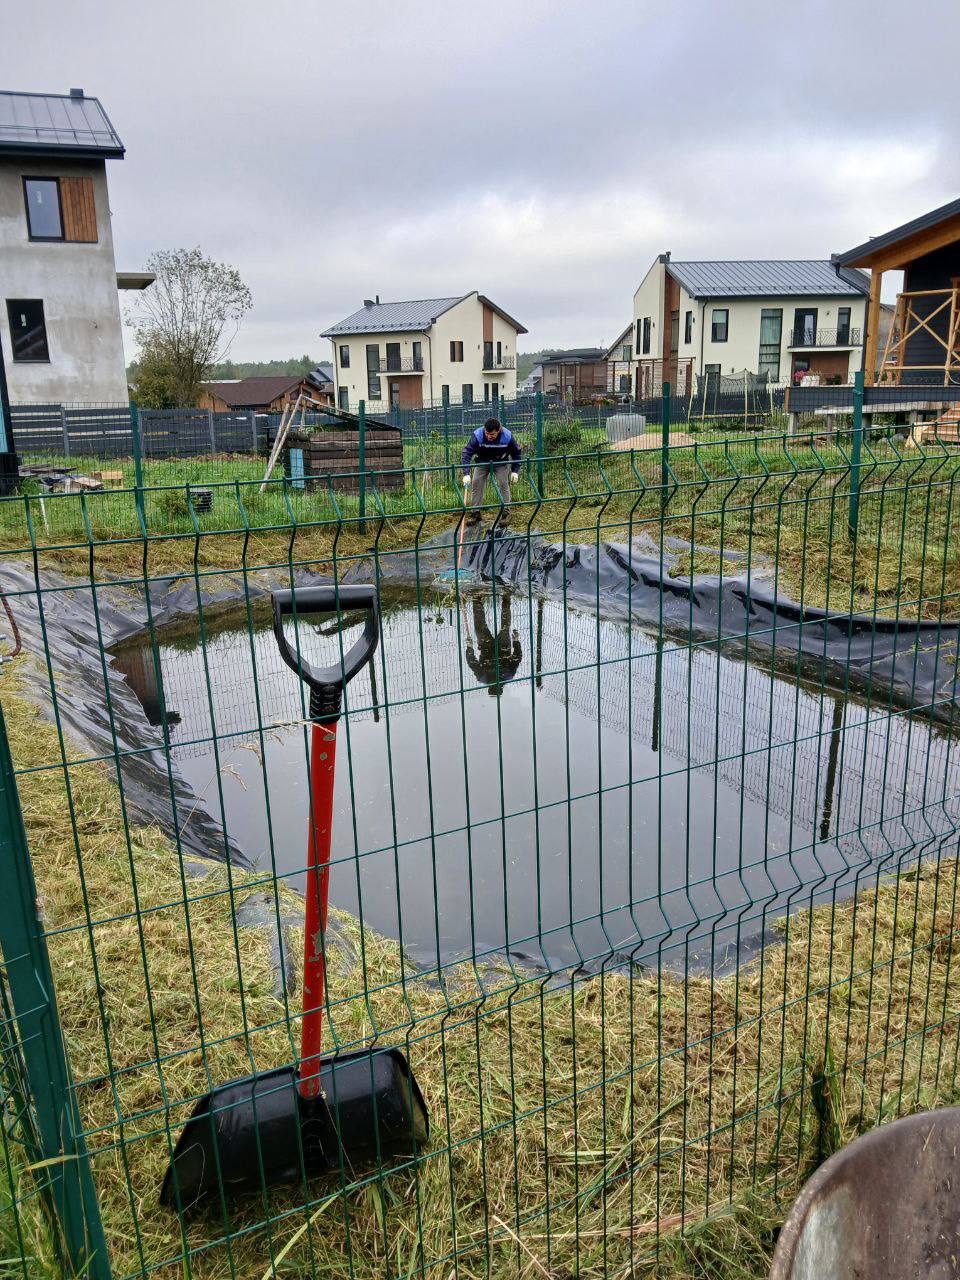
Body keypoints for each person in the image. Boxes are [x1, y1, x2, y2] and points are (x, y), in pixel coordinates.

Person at [461, 417, 521, 527]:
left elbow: (516, 452)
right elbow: (467, 452)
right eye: (487, 433)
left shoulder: (507, 436)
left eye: (492, 434)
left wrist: (515, 471)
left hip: (501, 461)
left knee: (503, 483)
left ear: (499, 431)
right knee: (476, 482)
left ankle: (506, 512)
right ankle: (476, 513)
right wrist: (466, 473)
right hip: (483, 461)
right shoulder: (478, 435)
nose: (489, 436)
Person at [464, 594, 523, 697]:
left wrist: (470, 648)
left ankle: (477, 599)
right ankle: (506, 598)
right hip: (503, 648)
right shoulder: (507, 676)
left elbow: (472, 663)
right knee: (504, 627)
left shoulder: (483, 677)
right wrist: (516, 642)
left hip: (486, 648)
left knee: (480, 628)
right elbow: (517, 658)